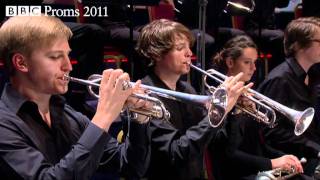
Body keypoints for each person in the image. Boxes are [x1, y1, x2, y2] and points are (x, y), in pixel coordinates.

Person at [0, 15, 151, 179]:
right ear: (21, 63)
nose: (68, 66)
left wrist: (138, 119)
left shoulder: (68, 114)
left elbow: (130, 167)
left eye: (67, 55)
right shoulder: (3, 124)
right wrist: (104, 116)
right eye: (55, 56)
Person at [136, 19, 251, 180]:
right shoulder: (145, 97)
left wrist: (235, 111)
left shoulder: (187, 89)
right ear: (157, 53)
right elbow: (177, 152)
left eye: (188, 47)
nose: (189, 53)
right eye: (180, 48)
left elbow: (223, 148)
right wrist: (217, 112)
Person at [208, 35, 305, 180]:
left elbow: (256, 144)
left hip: (256, 169)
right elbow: (228, 153)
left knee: (300, 175)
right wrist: (271, 163)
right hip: (236, 173)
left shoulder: (248, 95)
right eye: (247, 62)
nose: (253, 68)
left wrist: (283, 158)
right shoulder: (216, 99)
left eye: (254, 62)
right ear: (230, 62)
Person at [258, 17, 320, 175]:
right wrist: (315, 149)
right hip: (291, 159)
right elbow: (271, 131)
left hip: (309, 152)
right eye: (319, 41)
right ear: (299, 45)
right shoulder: (280, 79)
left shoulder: (312, 75)